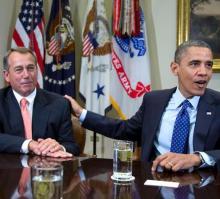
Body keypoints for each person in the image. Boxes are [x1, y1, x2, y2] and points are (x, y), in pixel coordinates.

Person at [65, 40, 220, 172]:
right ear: (175, 68)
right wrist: (81, 113)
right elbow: (124, 129)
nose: (203, 72)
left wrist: (197, 158)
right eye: (194, 64)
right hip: (155, 180)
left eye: (208, 65)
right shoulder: (154, 100)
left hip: (203, 185)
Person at [0, 47, 79, 157]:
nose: (26, 75)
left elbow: (71, 146)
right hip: (8, 171)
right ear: (7, 76)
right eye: (19, 69)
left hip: (47, 171)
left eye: (31, 68)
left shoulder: (59, 104)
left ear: (37, 71)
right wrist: (29, 144)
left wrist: (59, 147)